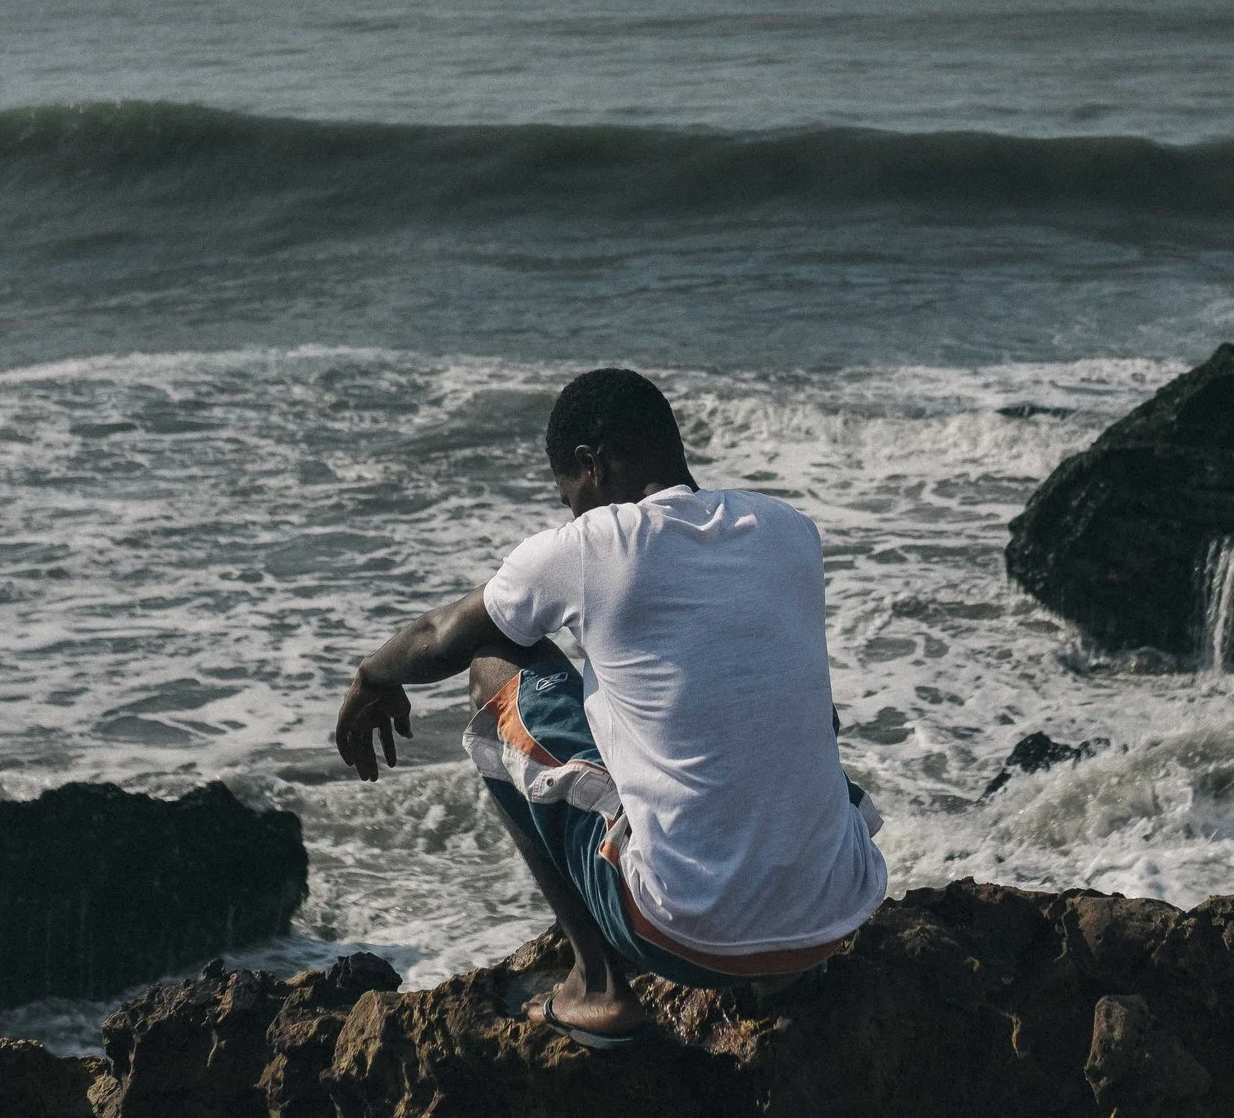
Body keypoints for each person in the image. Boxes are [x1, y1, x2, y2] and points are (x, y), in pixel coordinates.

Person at [334, 368, 887, 1047]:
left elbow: (444, 635)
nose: (572, 512)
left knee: (492, 668)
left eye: (570, 494)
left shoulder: (594, 545)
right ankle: (781, 979)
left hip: (681, 932)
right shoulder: (787, 530)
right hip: (834, 910)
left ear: (589, 466)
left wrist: (370, 677)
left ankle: (596, 983)